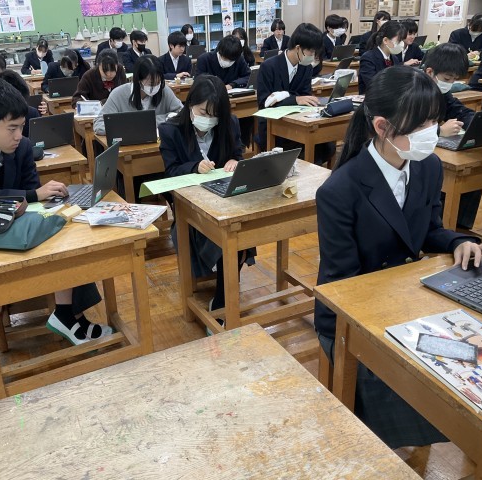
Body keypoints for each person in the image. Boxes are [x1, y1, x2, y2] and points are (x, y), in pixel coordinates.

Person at [315, 66, 482, 449]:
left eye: (434, 120)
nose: (432, 132)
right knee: (432, 398)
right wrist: (404, 311)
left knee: (475, 364)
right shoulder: (339, 191)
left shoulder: (427, 165)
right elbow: (343, 285)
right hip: (351, 317)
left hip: (407, 302)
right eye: (422, 125)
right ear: (382, 126)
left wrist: (458, 242)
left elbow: (427, 230)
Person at [0, 79, 109, 344]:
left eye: (21, 127)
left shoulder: (23, 146)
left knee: (66, 235)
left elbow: (32, 195)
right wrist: (31, 196)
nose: (19, 135)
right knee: (53, 241)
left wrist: (40, 200)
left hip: (14, 225)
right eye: (12, 128)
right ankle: (68, 316)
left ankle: (67, 314)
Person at [159, 75, 254, 332]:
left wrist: (235, 160)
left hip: (225, 201)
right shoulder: (171, 130)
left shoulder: (229, 123)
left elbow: (237, 151)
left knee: (240, 227)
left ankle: (222, 298)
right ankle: (224, 299)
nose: (209, 119)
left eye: (214, 115)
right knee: (228, 234)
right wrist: (193, 167)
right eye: (203, 112)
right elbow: (170, 172)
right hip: (191, 211)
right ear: (190, 104)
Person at [256, 23, 335, 164]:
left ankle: (312, 173)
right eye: (311, 52)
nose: (313, 57)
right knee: (303, 148)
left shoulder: (306, 67)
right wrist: (295, 99)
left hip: (299, 122)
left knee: (326, 145)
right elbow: (264, 103)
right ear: (298, 48)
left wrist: (305, 101)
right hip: (273, 126)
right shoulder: (269, 66)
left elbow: (305, 96)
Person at [424, 43, 482, 230]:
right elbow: (403, 128)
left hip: (433, 146)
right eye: (447, 78)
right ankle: (438, 228)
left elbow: (459, 110)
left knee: (473, 174)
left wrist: (479, 122)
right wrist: (440, 131)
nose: (449, 83)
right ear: (430, 71)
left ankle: (460, 227)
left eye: (454, 79)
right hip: (411, 149)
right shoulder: (411, 89)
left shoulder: (442, 91)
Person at [93, 55, 182, 135]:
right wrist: (130, 126)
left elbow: (182, 114)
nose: (155, 86)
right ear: (138, 80)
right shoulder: (118, 94)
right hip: (128, 146)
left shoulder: (163, 90)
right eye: (151, 83)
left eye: (158, 82)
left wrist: (152, 121)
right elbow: (99, 124)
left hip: (159, 144)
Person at [358, 20, 402, 94]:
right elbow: (372, 85)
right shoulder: (368, 58)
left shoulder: (395, 58)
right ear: (385, 40)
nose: (401, 44)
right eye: (399, 40)